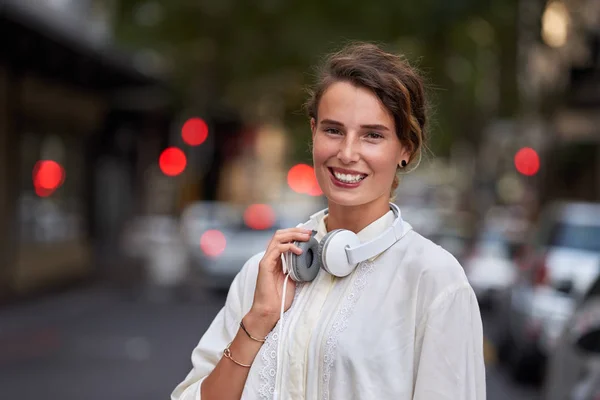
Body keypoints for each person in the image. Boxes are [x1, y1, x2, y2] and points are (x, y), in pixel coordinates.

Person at [171, 41, 486, 400]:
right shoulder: (265, 273)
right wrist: (257, 322)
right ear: (313, 132)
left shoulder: (434, 282)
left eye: (372, 135)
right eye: (334, 130)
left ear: (405, 148)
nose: (347, 153)